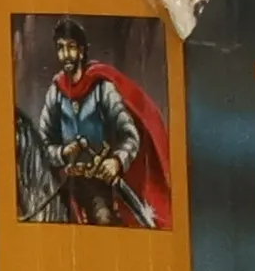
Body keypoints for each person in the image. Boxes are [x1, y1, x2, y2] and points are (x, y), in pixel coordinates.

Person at [35, 18, 174, 228]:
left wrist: (116, 161)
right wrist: (62, 153)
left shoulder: (102, 88)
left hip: (97, 184)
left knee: (103, 221)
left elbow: (129, 135)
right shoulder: (55, 92)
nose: (66, 55)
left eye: (71, 47)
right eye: (60, 48)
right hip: (63, 182)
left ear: (81, 51)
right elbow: (44, 143)